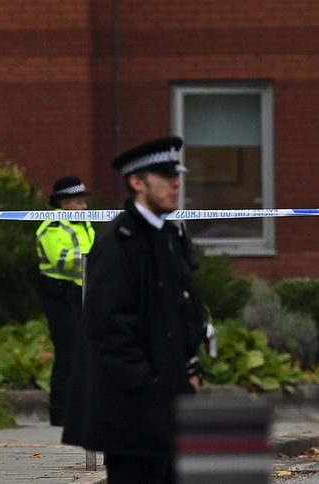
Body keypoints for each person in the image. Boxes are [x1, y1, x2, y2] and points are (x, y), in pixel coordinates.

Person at [61, 136, 205, 483]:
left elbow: (185, 310)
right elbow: (109, 329)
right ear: (137, 182)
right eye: (164, 176)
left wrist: (192, 366)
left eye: (177, 175)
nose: (176, 183)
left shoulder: (170, 237)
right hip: (130, 413)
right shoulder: (117, 243)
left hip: (168, 407)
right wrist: (148, 387)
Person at [35, 176, 95, 426]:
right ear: (64, 203)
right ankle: (62, 415)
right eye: (78, 202)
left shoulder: (84, 224)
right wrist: (95, 257)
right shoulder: (52, 226)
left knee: (85, 352)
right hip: (59, 293)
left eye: (84, 202)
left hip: (81, 292)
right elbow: (63, 259)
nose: (84, 207)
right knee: (69, 353)